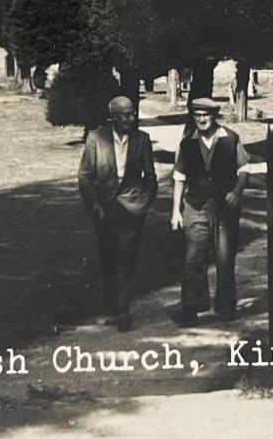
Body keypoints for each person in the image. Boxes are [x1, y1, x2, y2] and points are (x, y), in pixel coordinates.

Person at [76, 95, 158, 331]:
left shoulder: (142, 139)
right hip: (104, 209)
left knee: (127, 256)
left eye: (133, 113)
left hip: (132, 210)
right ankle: (112, 305)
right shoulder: (96, 138)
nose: (132, 118)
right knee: (108, 257)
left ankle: (123, 310)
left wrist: (144, 203)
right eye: (126, 114)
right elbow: (85, 176)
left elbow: (150, 177)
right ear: (113, 117)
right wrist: (95, 205)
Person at [171, 97, 252, 324]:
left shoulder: (230, 138)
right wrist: (176, 211)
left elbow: (244, 169)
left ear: (213, 116)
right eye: (197, 115)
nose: (201, 119)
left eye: (205, 115)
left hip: (224, 207)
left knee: (224, 256)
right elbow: (179, 177)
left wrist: (236, 192)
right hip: (195, 206)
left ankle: (225, 307)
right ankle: (192, 307)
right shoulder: (188, 143)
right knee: (193, 257)